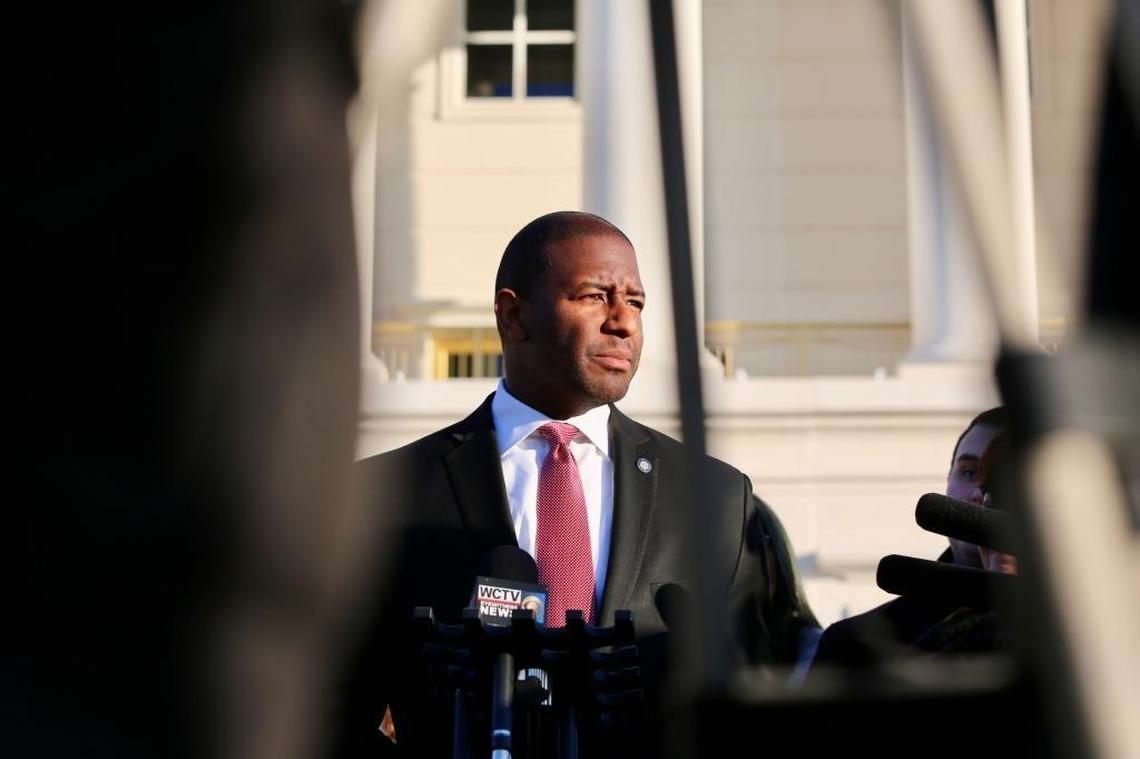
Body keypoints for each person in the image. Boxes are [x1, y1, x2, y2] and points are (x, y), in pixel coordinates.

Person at [332, 211, 781, 757]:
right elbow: (324, 713)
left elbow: (762, 703)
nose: (623, 322)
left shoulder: (717, 499)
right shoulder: (385, 493)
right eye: (595, 296)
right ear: (514, 314)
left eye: (635, 302)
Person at [811, 407, 1007, 666]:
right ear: (947, 482)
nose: (980, 495)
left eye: (1002, 478)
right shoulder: (853, 647)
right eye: (969, 473)